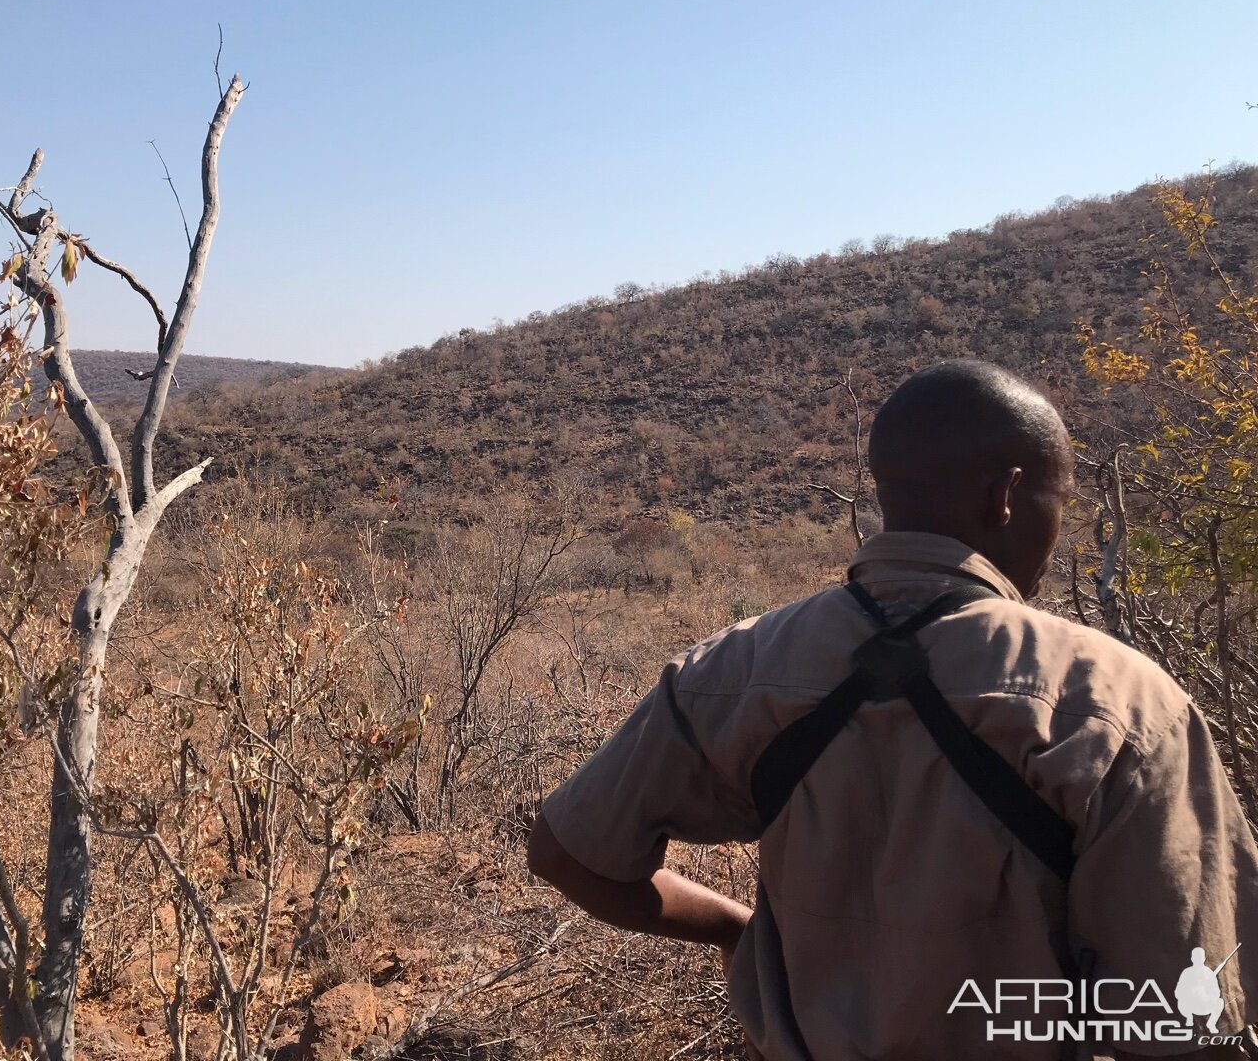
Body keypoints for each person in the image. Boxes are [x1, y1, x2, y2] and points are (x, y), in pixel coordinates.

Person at [527, 360, 1258, 1060]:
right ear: (1006, 495)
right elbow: (1188, 1024)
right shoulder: (1116, 702)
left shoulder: (737, 666)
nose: (1057, 525)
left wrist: (734, 931)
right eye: (1057, 499)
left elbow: (566, 852)